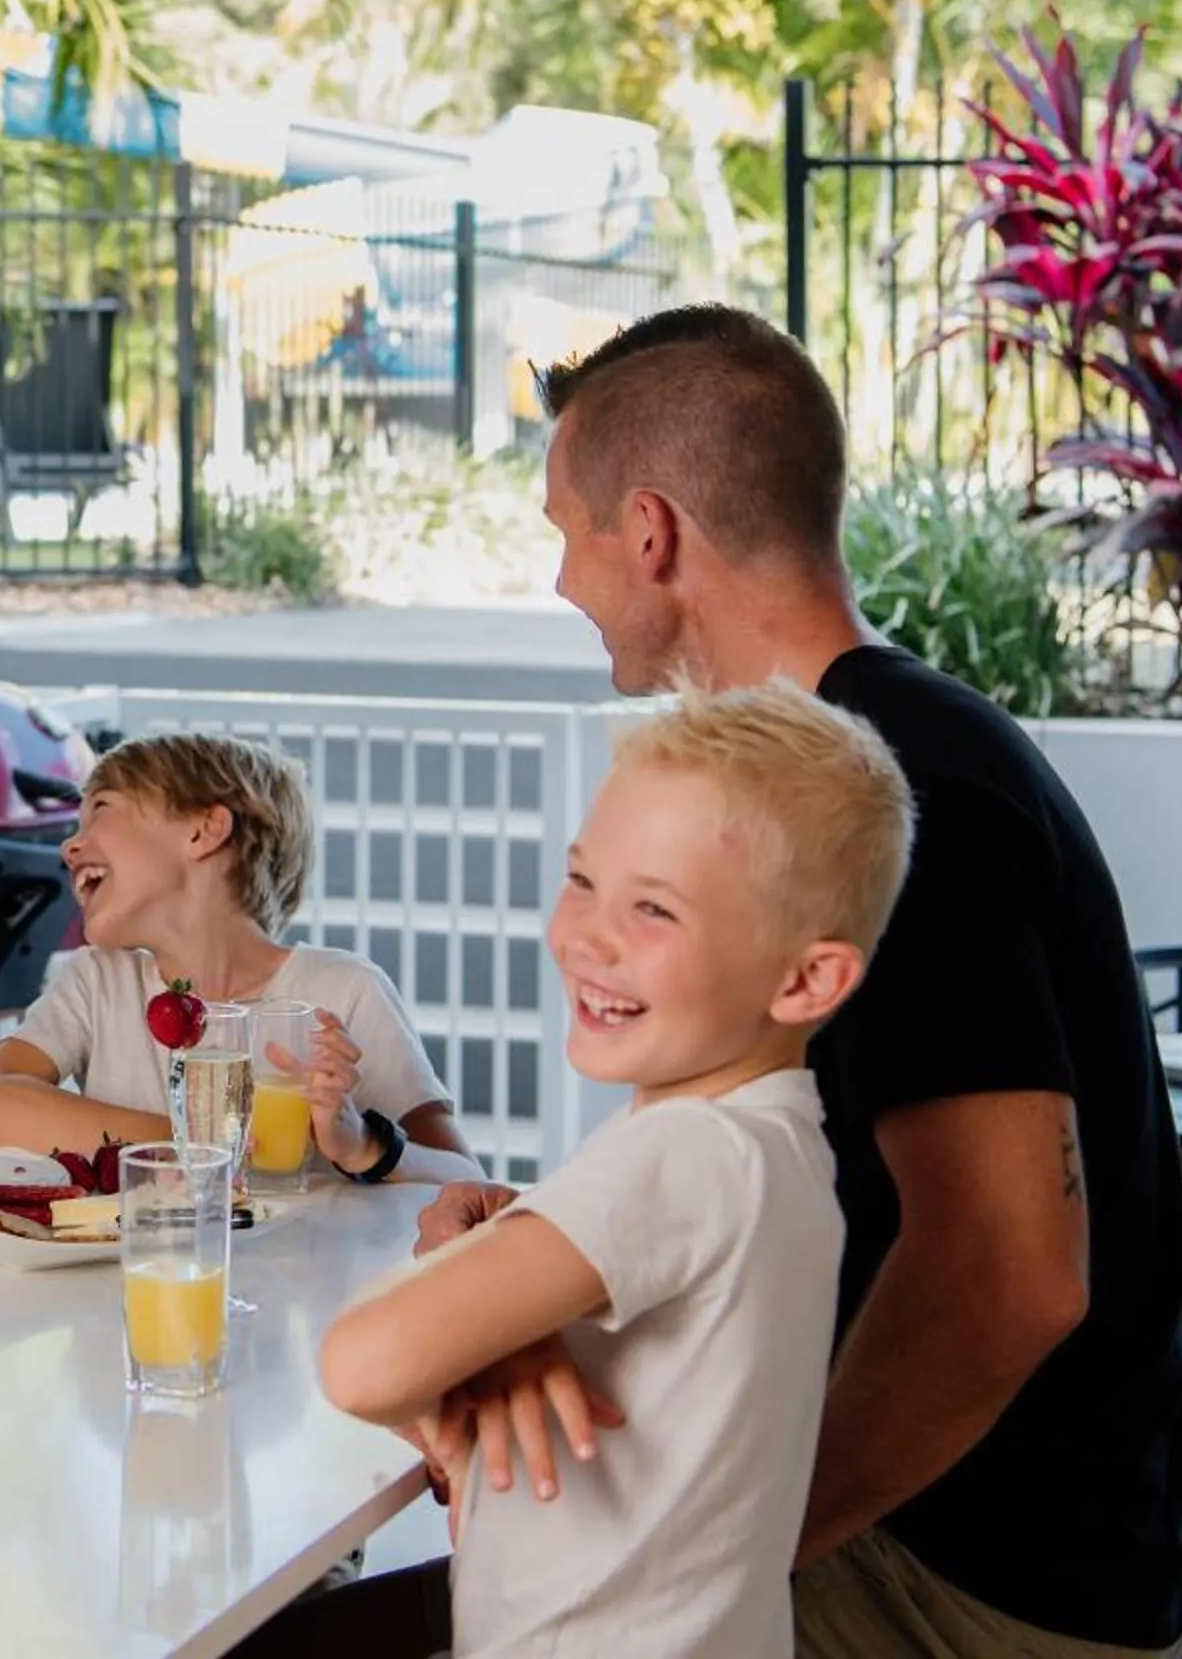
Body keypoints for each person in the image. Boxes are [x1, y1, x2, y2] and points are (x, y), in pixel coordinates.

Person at [412, 303, 1182, 1656]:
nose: (561, 580)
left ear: (651, 533)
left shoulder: (905, 795)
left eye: (568, 532)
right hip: (959, 1539)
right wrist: (557, 1244)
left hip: (972, 1582)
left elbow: (1013, 1275)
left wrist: (741, 1534)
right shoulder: (834, 774)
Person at [319, 683, 912, 1657]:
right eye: (582, 879)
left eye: (654, 908)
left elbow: (362, 1360)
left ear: (807, 979)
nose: (589, 934)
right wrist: (499, 1313)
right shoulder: (776, 1142)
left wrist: (470, 1334)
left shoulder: (689, 1153)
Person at [0, 732, 478, 1183]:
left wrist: (361, 1143)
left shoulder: (342, 990)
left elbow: (465, 1180)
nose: (70, 847)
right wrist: (203, 1146)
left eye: (101, 811)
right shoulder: (98, 981)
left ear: (204, 831)